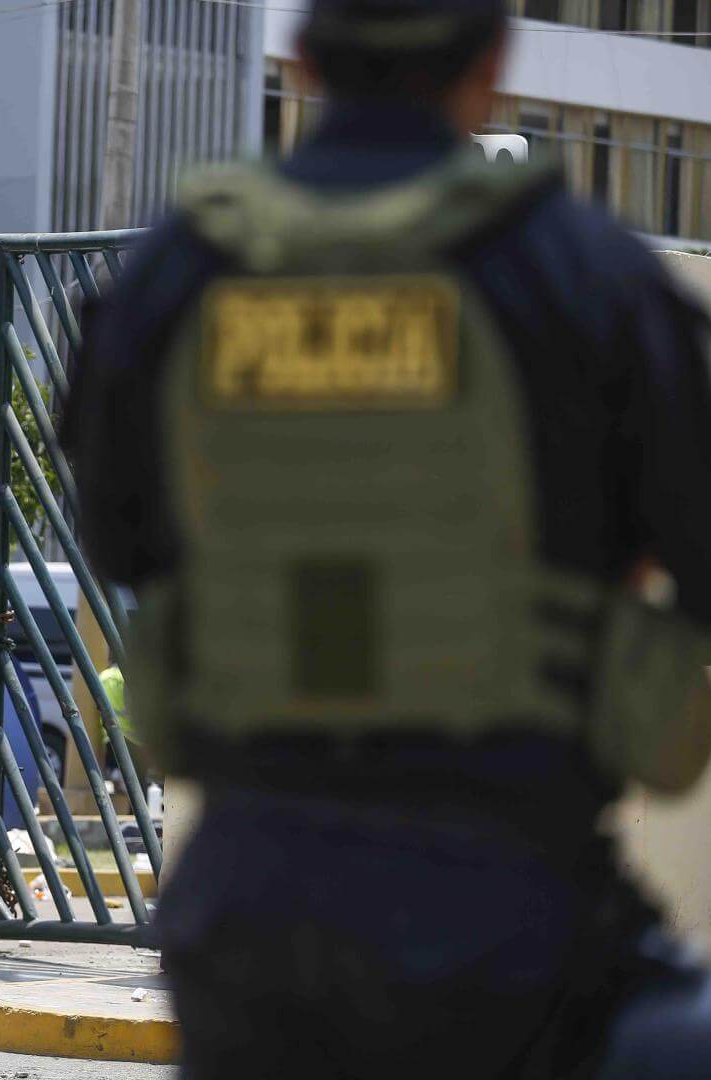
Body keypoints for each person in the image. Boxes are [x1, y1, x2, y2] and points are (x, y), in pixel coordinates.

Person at [62, 0, 711, 1072]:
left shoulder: (178, 271)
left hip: (246, 923)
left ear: (305, 59)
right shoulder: (581, 270)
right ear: (494, 65)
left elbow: (121, 540)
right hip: (521, 918)